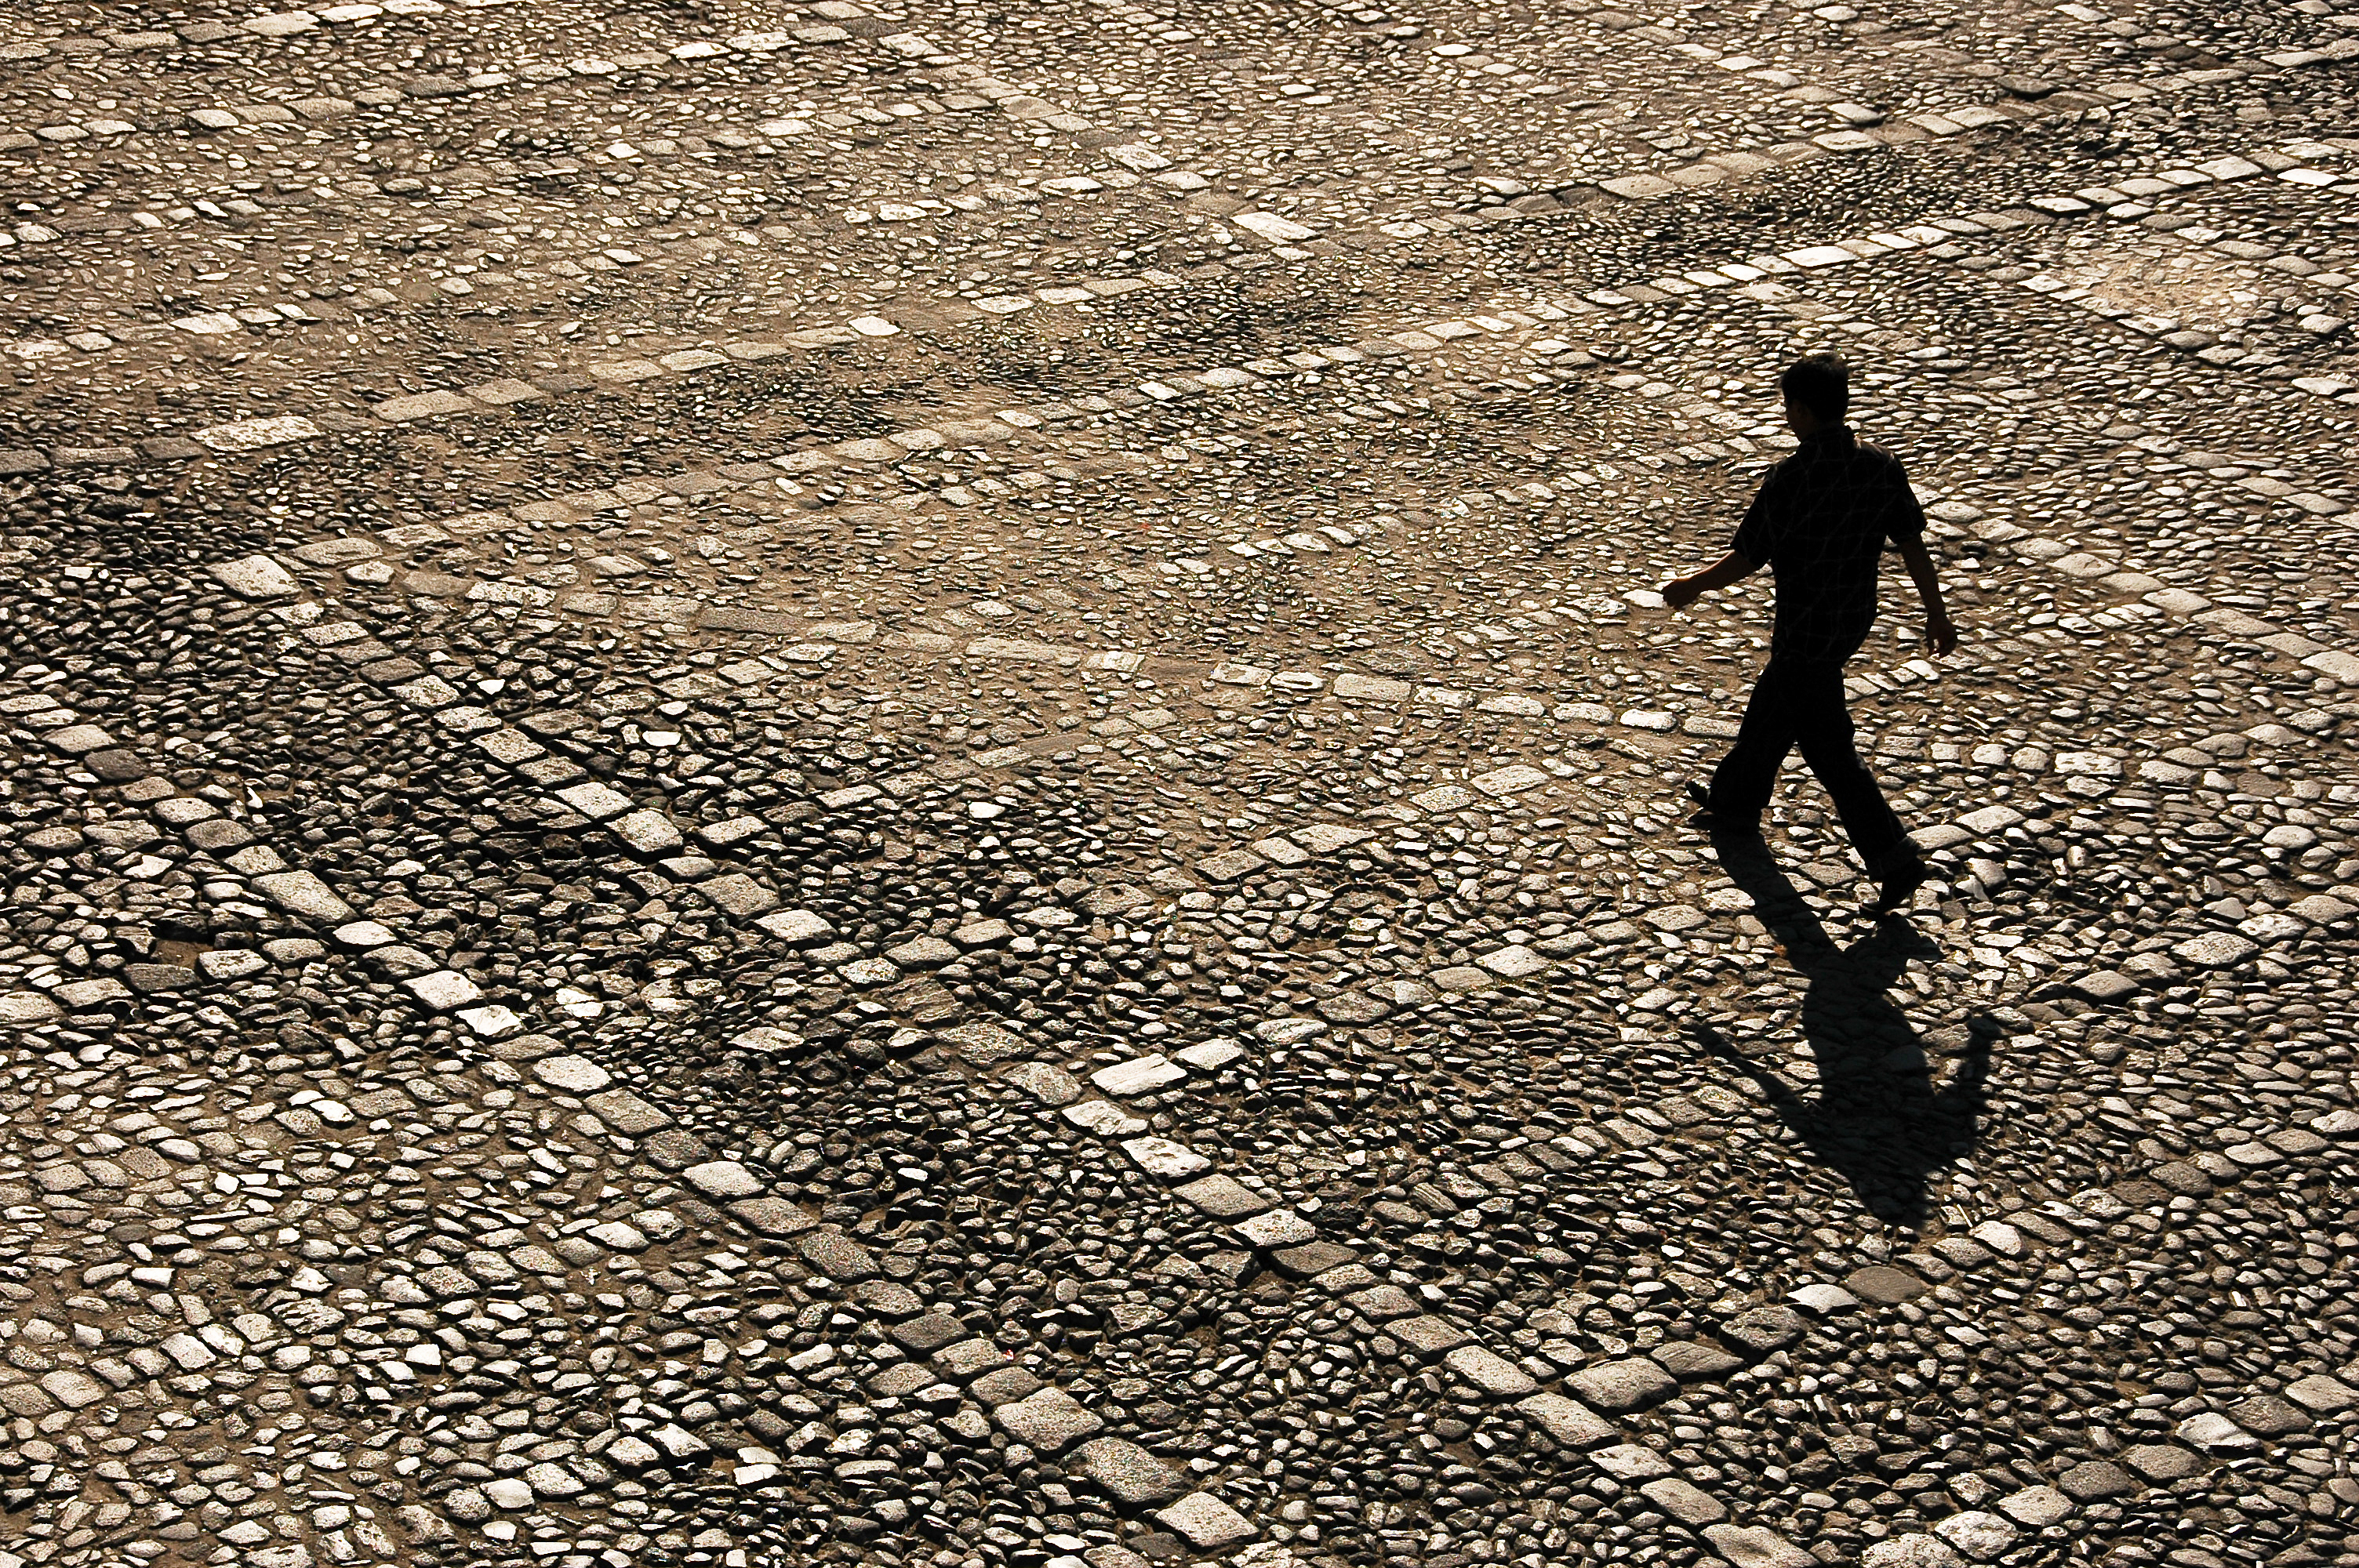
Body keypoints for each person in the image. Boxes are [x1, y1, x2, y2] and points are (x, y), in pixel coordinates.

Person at [1658, 352, 1958, 915]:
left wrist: (1692, 585)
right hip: (1850, 620)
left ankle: (1895, 859)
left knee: (1826, 745)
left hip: (1804, 623)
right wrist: (1935, 613)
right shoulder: (1881, 466)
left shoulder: (1791, 479)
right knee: (1776, 703)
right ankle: (1735, 803)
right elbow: (1912, 543)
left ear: (1799, 409)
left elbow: (1747, 556)